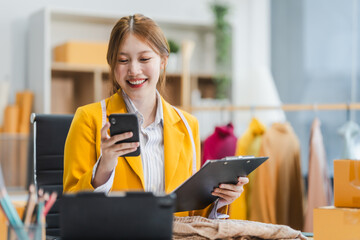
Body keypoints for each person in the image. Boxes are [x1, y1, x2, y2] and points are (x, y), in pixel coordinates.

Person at [63, 14, 249, 218]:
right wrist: (104, 167)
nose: (134, 70)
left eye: (144, 59)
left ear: (163, 61)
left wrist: (219, 200)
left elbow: (193, 215)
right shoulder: (88, 119)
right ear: (112, 65)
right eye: (123, 60)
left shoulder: (187, 125)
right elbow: (72, 211)